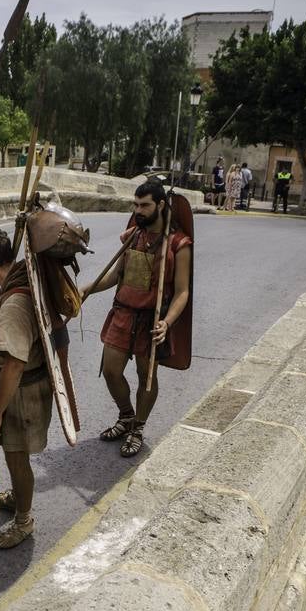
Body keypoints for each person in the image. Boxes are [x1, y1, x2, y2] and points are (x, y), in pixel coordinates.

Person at [81, 179, 193, 458]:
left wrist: (166, 322)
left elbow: (182, 293)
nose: (138, 210)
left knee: (147, 377)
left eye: (145, 205)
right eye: (136, 205)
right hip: (123, 314)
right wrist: (87, 289)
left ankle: (138, 429)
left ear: (161, 205)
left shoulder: (179, 244)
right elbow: (116, 275)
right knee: (111, 371)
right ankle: (126, 416)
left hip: (151, 321)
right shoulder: (133, 236)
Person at [0, 227, 54, 549]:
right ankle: (18, 498)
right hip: (19, 387)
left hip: (21, 394)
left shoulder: (13, 304)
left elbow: (14, 364)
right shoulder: (19, 278)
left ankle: (23, 521)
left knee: (17, 459)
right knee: (12, 457)